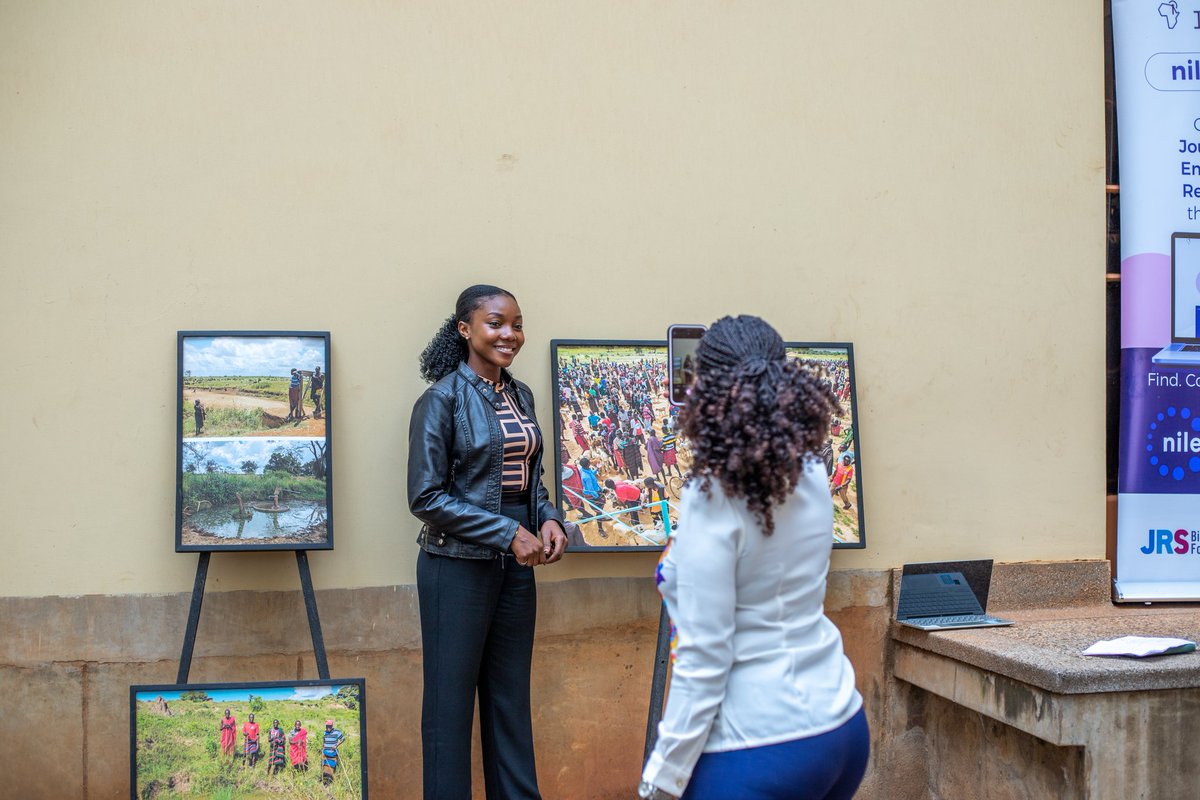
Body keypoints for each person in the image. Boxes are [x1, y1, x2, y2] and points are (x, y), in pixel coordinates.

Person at [640, 315, 868, 800]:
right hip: (840, 724)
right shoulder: (810, 471)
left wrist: (661, 778)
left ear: (706, 391)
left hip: (757, 743)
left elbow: (705, 656)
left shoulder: (715, 495)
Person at [408, 284, 568, 800]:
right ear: (465, 329)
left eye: (517, 324)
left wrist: (548, 519)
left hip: (517, 566)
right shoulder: (440, 400)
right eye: (496, 323)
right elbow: (426, 497)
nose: (510, 334)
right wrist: (506, 533)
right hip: (455, 567)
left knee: (509, 704)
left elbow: (530, 480)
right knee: (449, 713)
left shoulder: (520, 396)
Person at [321, 719, 345, 785]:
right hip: (325, 752)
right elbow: (324, 739)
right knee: (324, 766)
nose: (328, 727)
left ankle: (331, 781)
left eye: (329, 726)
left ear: (332, 726)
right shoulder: (325, 732)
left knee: (332, 766)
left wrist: (336, 745)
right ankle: (324, 779)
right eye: (327, 726)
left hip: (333, 753)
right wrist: (323, 744)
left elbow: (343, 739)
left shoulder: (337, 732)